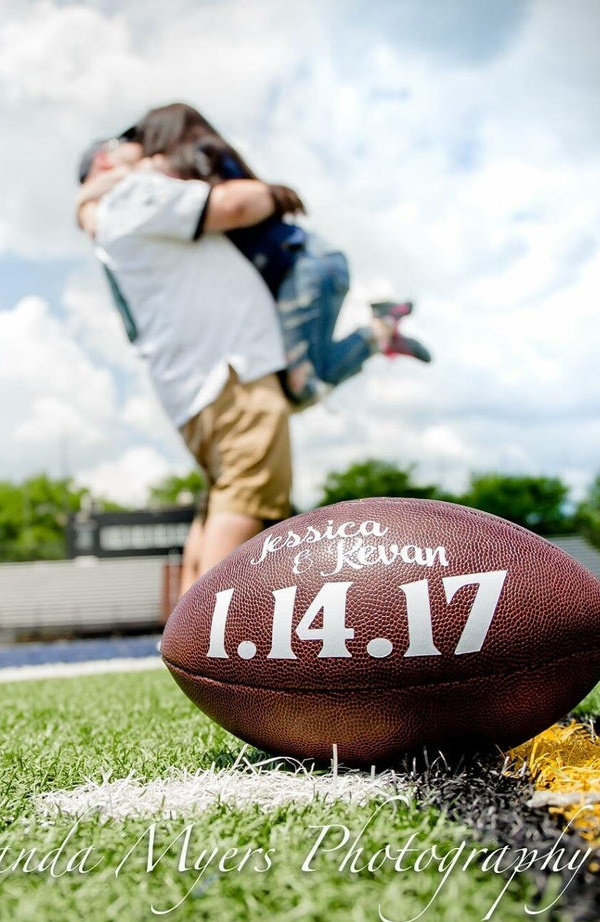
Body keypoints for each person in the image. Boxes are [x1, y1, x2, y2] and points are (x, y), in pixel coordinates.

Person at [82, 103, 430, 412]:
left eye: (144, 139)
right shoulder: (202, 162)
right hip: (303, 267)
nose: (140, 149)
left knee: (303, 387)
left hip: (304, 266)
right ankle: (380, 332)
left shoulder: (190, 161)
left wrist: (86, 199)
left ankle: (380, 331)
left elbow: (133, 186)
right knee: (300, 385)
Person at [77, 138, 299, 590]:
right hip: (229, 368)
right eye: (125, 145)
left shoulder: (108, 213)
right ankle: (207, 639)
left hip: (198, 382)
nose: (140, 147)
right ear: (104, 160)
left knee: (222, 503)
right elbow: (236, 205)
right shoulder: (133, 193)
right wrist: (276, 194)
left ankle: (184, 636)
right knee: (248, 499)